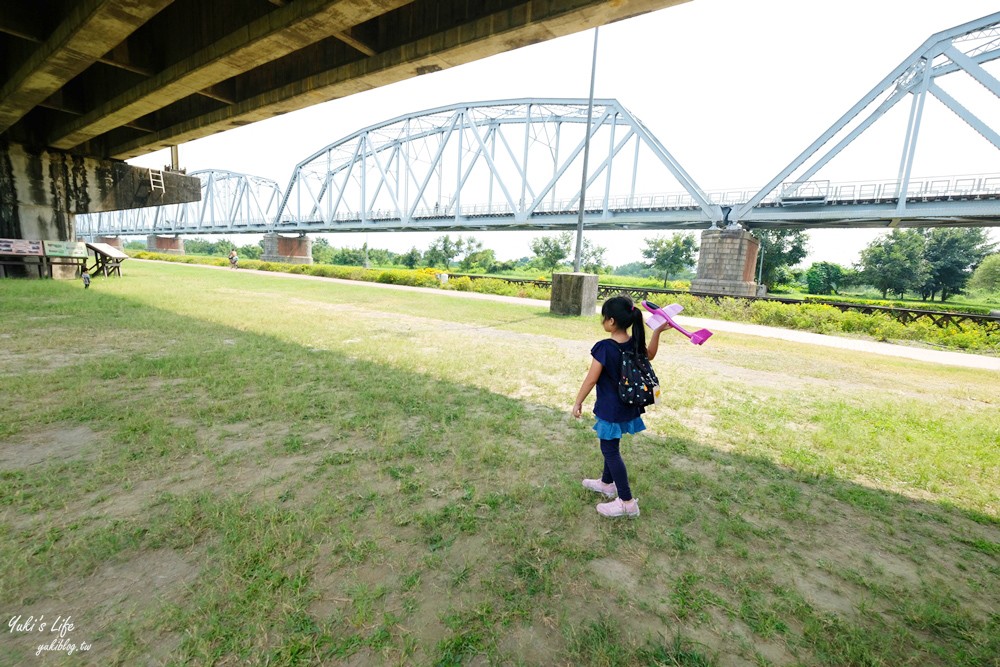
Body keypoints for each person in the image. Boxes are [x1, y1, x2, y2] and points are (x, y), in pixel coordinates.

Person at [572, 295, 665, 518]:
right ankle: (606, 483)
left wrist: (578, 401)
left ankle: (627, 501)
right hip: (628, 406)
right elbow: (650, 355)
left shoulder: (604, 348)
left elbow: (591, 379)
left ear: (611, 321)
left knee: (610, 450)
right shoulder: (633, 342)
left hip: (611, 410)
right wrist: (658, 332)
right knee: (612, 445)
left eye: (604, 317)